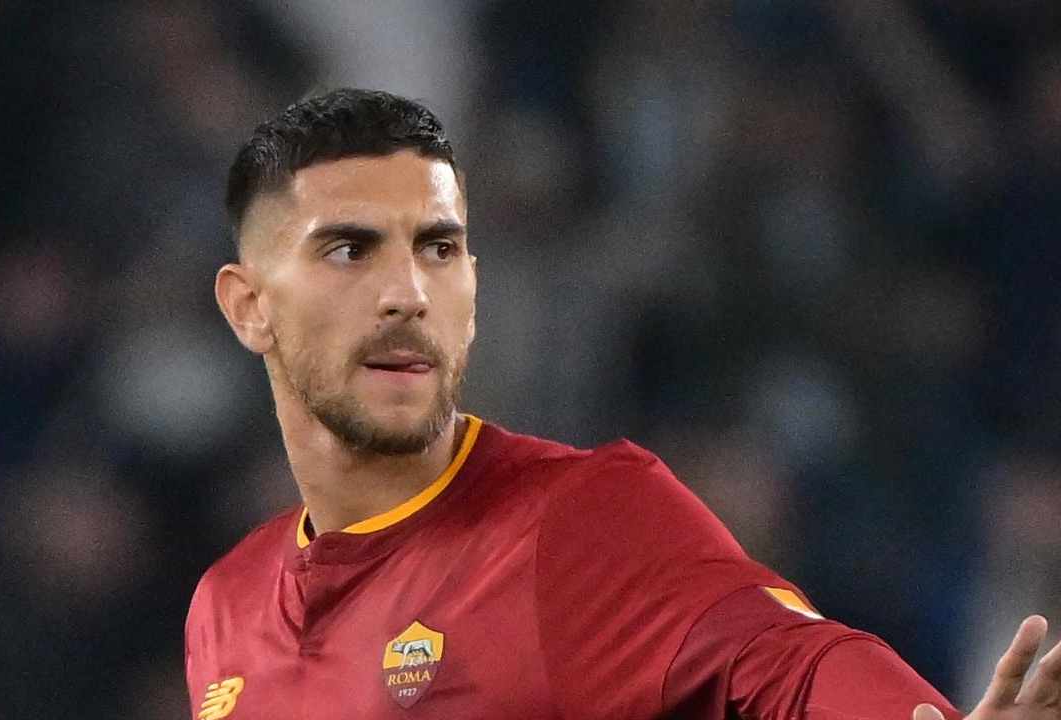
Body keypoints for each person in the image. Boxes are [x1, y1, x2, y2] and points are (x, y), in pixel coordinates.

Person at [185, 88, 1060, 719]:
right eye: (349, 251)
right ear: (249, 306)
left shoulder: (572, 519)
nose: (407, 294)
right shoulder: (224, 608)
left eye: (439, 249)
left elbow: (787, 660)